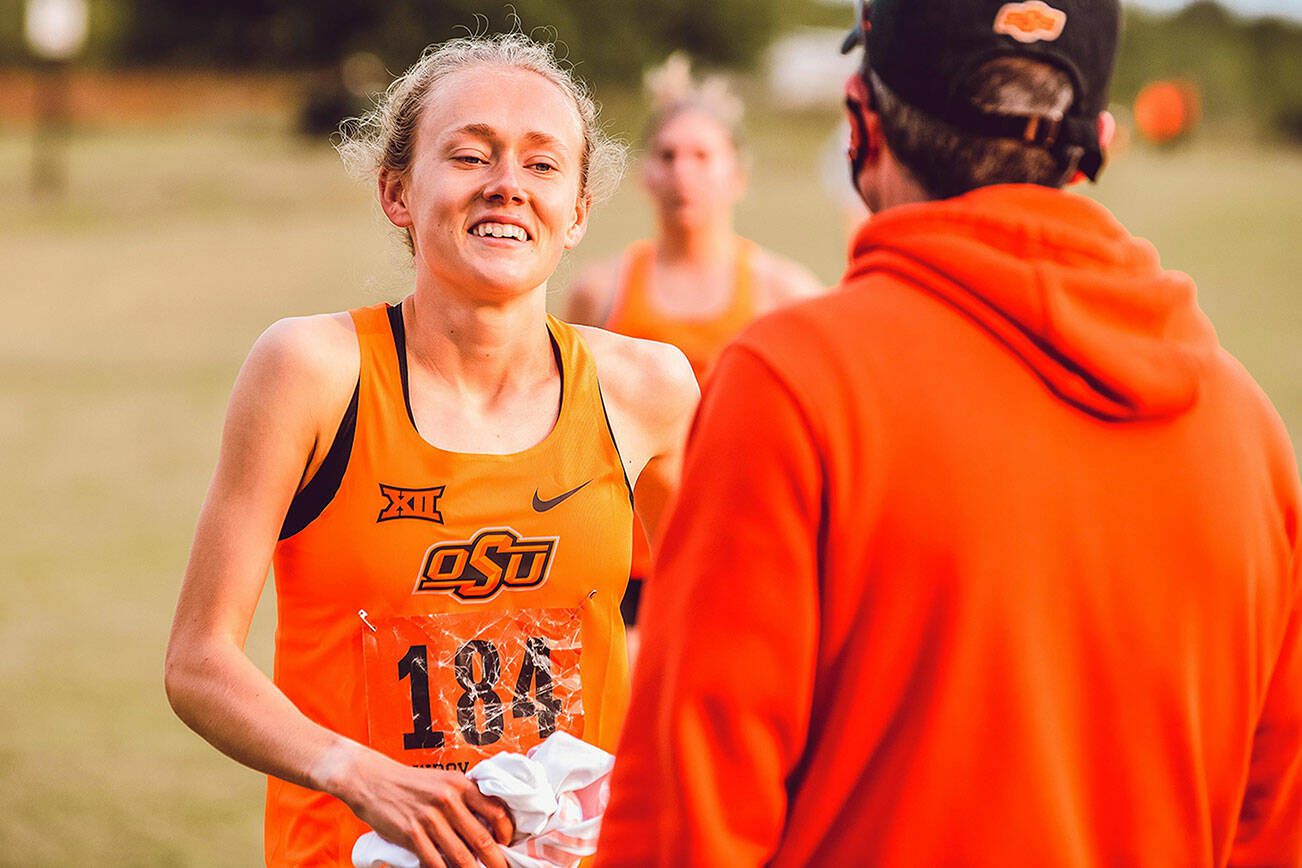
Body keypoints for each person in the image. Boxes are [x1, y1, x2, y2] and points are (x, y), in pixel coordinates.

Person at [596, 1, 1301, 865]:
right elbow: (1275, 825)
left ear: (861, 122)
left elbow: (688, 820)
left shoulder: (793, 382)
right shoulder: (1249, 432)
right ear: (1102, 146)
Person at [164, 33, 697, 868]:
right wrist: (357, 772)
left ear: (580, 213)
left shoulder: (648, 391)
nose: (506, 187)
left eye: (543, 165)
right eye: (470, 155)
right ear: (397, 191)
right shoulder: (312, 372)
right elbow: (198, 663)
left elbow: (726, 634)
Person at [565, 54, 822, 635]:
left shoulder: (786, 293)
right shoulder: (600, 292)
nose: (684, 172)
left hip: (744, 556)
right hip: (626, 566)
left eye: (703, 156)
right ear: (644, 173)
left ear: (737, 174)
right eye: (667, 155)